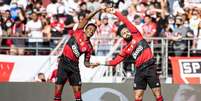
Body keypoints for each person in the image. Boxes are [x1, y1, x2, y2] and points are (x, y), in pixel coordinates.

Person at [98, 8, 164, 101]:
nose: (126, 33)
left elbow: (125, 20)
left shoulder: (136, 34)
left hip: (150, 67)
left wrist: (115, 12)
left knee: (157, 94)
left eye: (126, 31)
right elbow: (114, 62)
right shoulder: (125, 50)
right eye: (123, 33)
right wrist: (99, 63)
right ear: (122, 36)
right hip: (139, 70)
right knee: (138, 97)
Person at [54, 7, 104, 101]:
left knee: (78, 94)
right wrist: (97, 10)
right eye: (89, 28)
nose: (91, 31)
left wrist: (91, 65)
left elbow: (86, 63)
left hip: (74, 67)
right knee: (58, 92)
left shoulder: (89, 47)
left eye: (93, 30)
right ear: (85, 29)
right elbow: (87, 18)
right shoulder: (79, 31)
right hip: (63, 63)